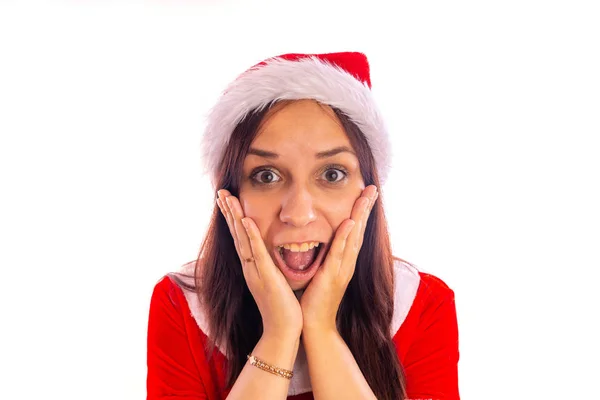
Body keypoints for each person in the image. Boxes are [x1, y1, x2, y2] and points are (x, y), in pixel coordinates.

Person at [146, 52, 460, 400]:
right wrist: (279, 334)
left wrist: (321, 330)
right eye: (266, 176)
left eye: (332, 174)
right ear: (231, 195)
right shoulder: (182, 305)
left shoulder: (422, 304)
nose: (298, 213)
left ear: (368, 192)